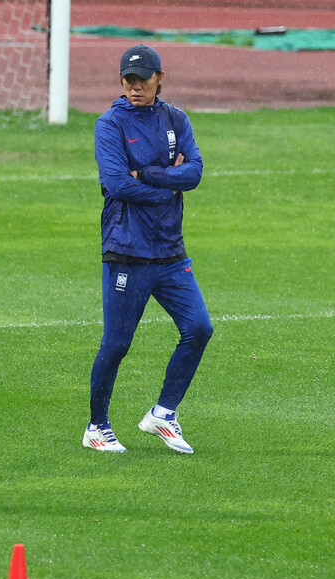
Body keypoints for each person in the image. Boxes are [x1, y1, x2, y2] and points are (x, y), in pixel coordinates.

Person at [83, 45, 213, 454]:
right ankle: (97, 427)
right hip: (127, 250)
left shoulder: (177, 119)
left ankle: (163, 413)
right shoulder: (110, 125)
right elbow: (118, 184)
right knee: (117, 344)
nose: (135, 87)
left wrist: (149, 175)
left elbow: (194, 172)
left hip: (170, 252)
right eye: (128, 80)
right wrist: (166, 186)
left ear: (160, 78)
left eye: (142, 80)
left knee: (199, 328)